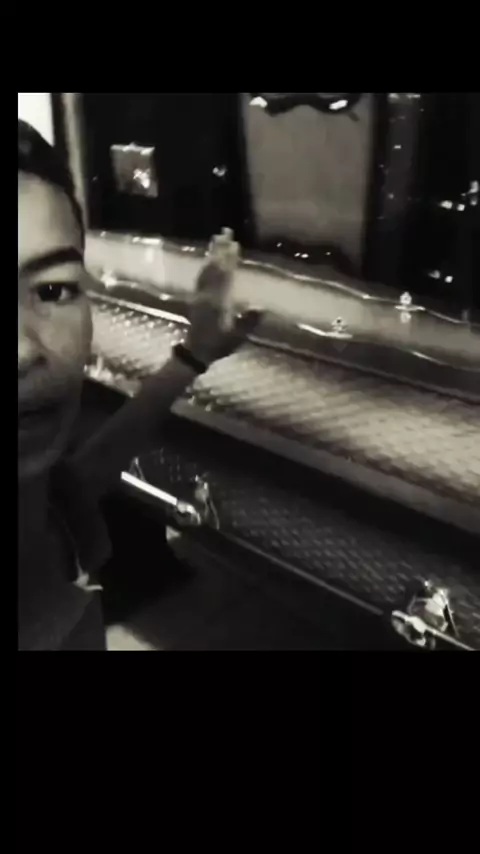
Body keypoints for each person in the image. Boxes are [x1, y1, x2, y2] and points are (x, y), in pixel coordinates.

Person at [18, 119, 258, 651]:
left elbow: (79, 488)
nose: (23, 351)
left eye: (53, 290)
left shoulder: (47, 514)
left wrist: (193, 355)